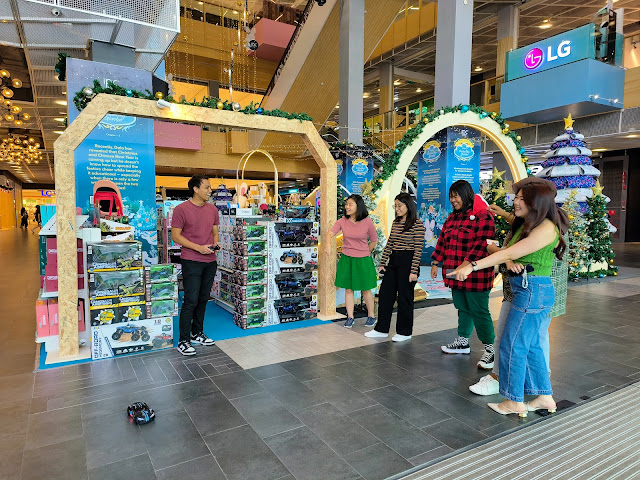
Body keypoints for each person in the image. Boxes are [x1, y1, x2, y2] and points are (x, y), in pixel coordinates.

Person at [448, 177, 569, 417]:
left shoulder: (546, 227)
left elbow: (508, 253)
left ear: (536, 203)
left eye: (521, 198)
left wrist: (472, 266)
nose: (515, 201)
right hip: (526, 289)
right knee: (531, 345)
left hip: (532, 290)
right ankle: (544, 396)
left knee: (513, 345)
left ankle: (513, 401)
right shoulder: (529, 224)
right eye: (516, 197)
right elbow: (507, 252)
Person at [431, 180, 496, 369]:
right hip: (454, 273)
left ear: (466, 195)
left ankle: (490, 350)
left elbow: (483, 244)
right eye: (451, 197)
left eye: (456, 196)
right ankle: (462, 342)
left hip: (476, 275)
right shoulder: (452, 218)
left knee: (479, 310)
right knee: (462, 307)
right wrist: (435, 262)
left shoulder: (483, 215)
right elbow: (443, 241)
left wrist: (466, 265)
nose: (453, 200)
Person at [365, 193, 425, 342]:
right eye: (395, 206)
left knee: (405, 298)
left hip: (408, 261)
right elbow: (390, 243)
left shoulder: (417, 224)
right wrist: (382, 262)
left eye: (399, 206)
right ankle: (381, 329)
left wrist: (413, 271)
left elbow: (418, 250)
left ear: (408, 206)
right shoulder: (396, 222)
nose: (397, 209)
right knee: (385, 295)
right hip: (394, 260)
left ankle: (404, 332)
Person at [171, 175, 220, 356]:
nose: (210, 190)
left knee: (203, 298)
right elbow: (176, 236)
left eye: (210, 187)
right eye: (207, 187)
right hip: (191, 260)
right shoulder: (181, 209)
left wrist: (216, 243)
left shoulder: (212, 209)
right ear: (195, 189)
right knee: (190, 300)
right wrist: (198, 248)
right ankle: (183, 340)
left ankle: (197, 332)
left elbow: (215, 232)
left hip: (210, 261)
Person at [325, 194, 378, 328]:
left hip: (363, 260)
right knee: (348, 289)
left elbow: (374, 240)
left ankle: (371, 316)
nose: (347, 207)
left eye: (350, 204)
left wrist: (365, 252)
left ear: (358, 206)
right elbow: (330, 233)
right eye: (346, 204)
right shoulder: (343, 221)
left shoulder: (367, 222)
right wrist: (328, 245)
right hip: (347, 259)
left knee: (366, 289)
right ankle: (350, 317)